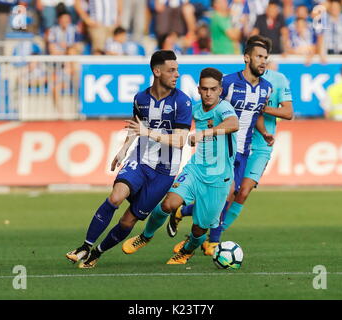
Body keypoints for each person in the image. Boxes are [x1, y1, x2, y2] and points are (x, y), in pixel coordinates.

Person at [65, 50, 193, 268]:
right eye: (172, 70)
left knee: (128, 220)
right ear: (157, 71)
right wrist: (124, 149)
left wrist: (148, 133)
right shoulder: (140, 98)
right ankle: (85, 246)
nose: (177, 75)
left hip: (164, 172)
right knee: (115, 197)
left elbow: (180, 141)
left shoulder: (183, 102)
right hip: (140, 160)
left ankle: (97, 253)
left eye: (177, 70)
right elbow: (136, 128)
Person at [169, 36, 293, 256]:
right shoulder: (227, 82)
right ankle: (213, 242)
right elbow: (208, 105)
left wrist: (264, 133)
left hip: (243, 150)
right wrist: (197, 129)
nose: (264, 61)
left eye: (266, 58)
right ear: (247, 58)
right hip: (220, 149)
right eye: (259, 57)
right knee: (224, 194)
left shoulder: (266, 87)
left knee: (227, 194)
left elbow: (257, 113)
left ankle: (184, 212)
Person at [122, 67, 239, 264]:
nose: (208, 93)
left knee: (199, 228)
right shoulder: (194, 108)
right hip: (195, 169)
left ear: (220, 90)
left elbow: (233, 123)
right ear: (199, 89)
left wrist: (204, 134)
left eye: (213, 89)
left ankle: (186, 251)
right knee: (168, 203)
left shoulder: (224, 108)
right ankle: (145, 236)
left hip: (219, 178)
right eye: (204, 89)